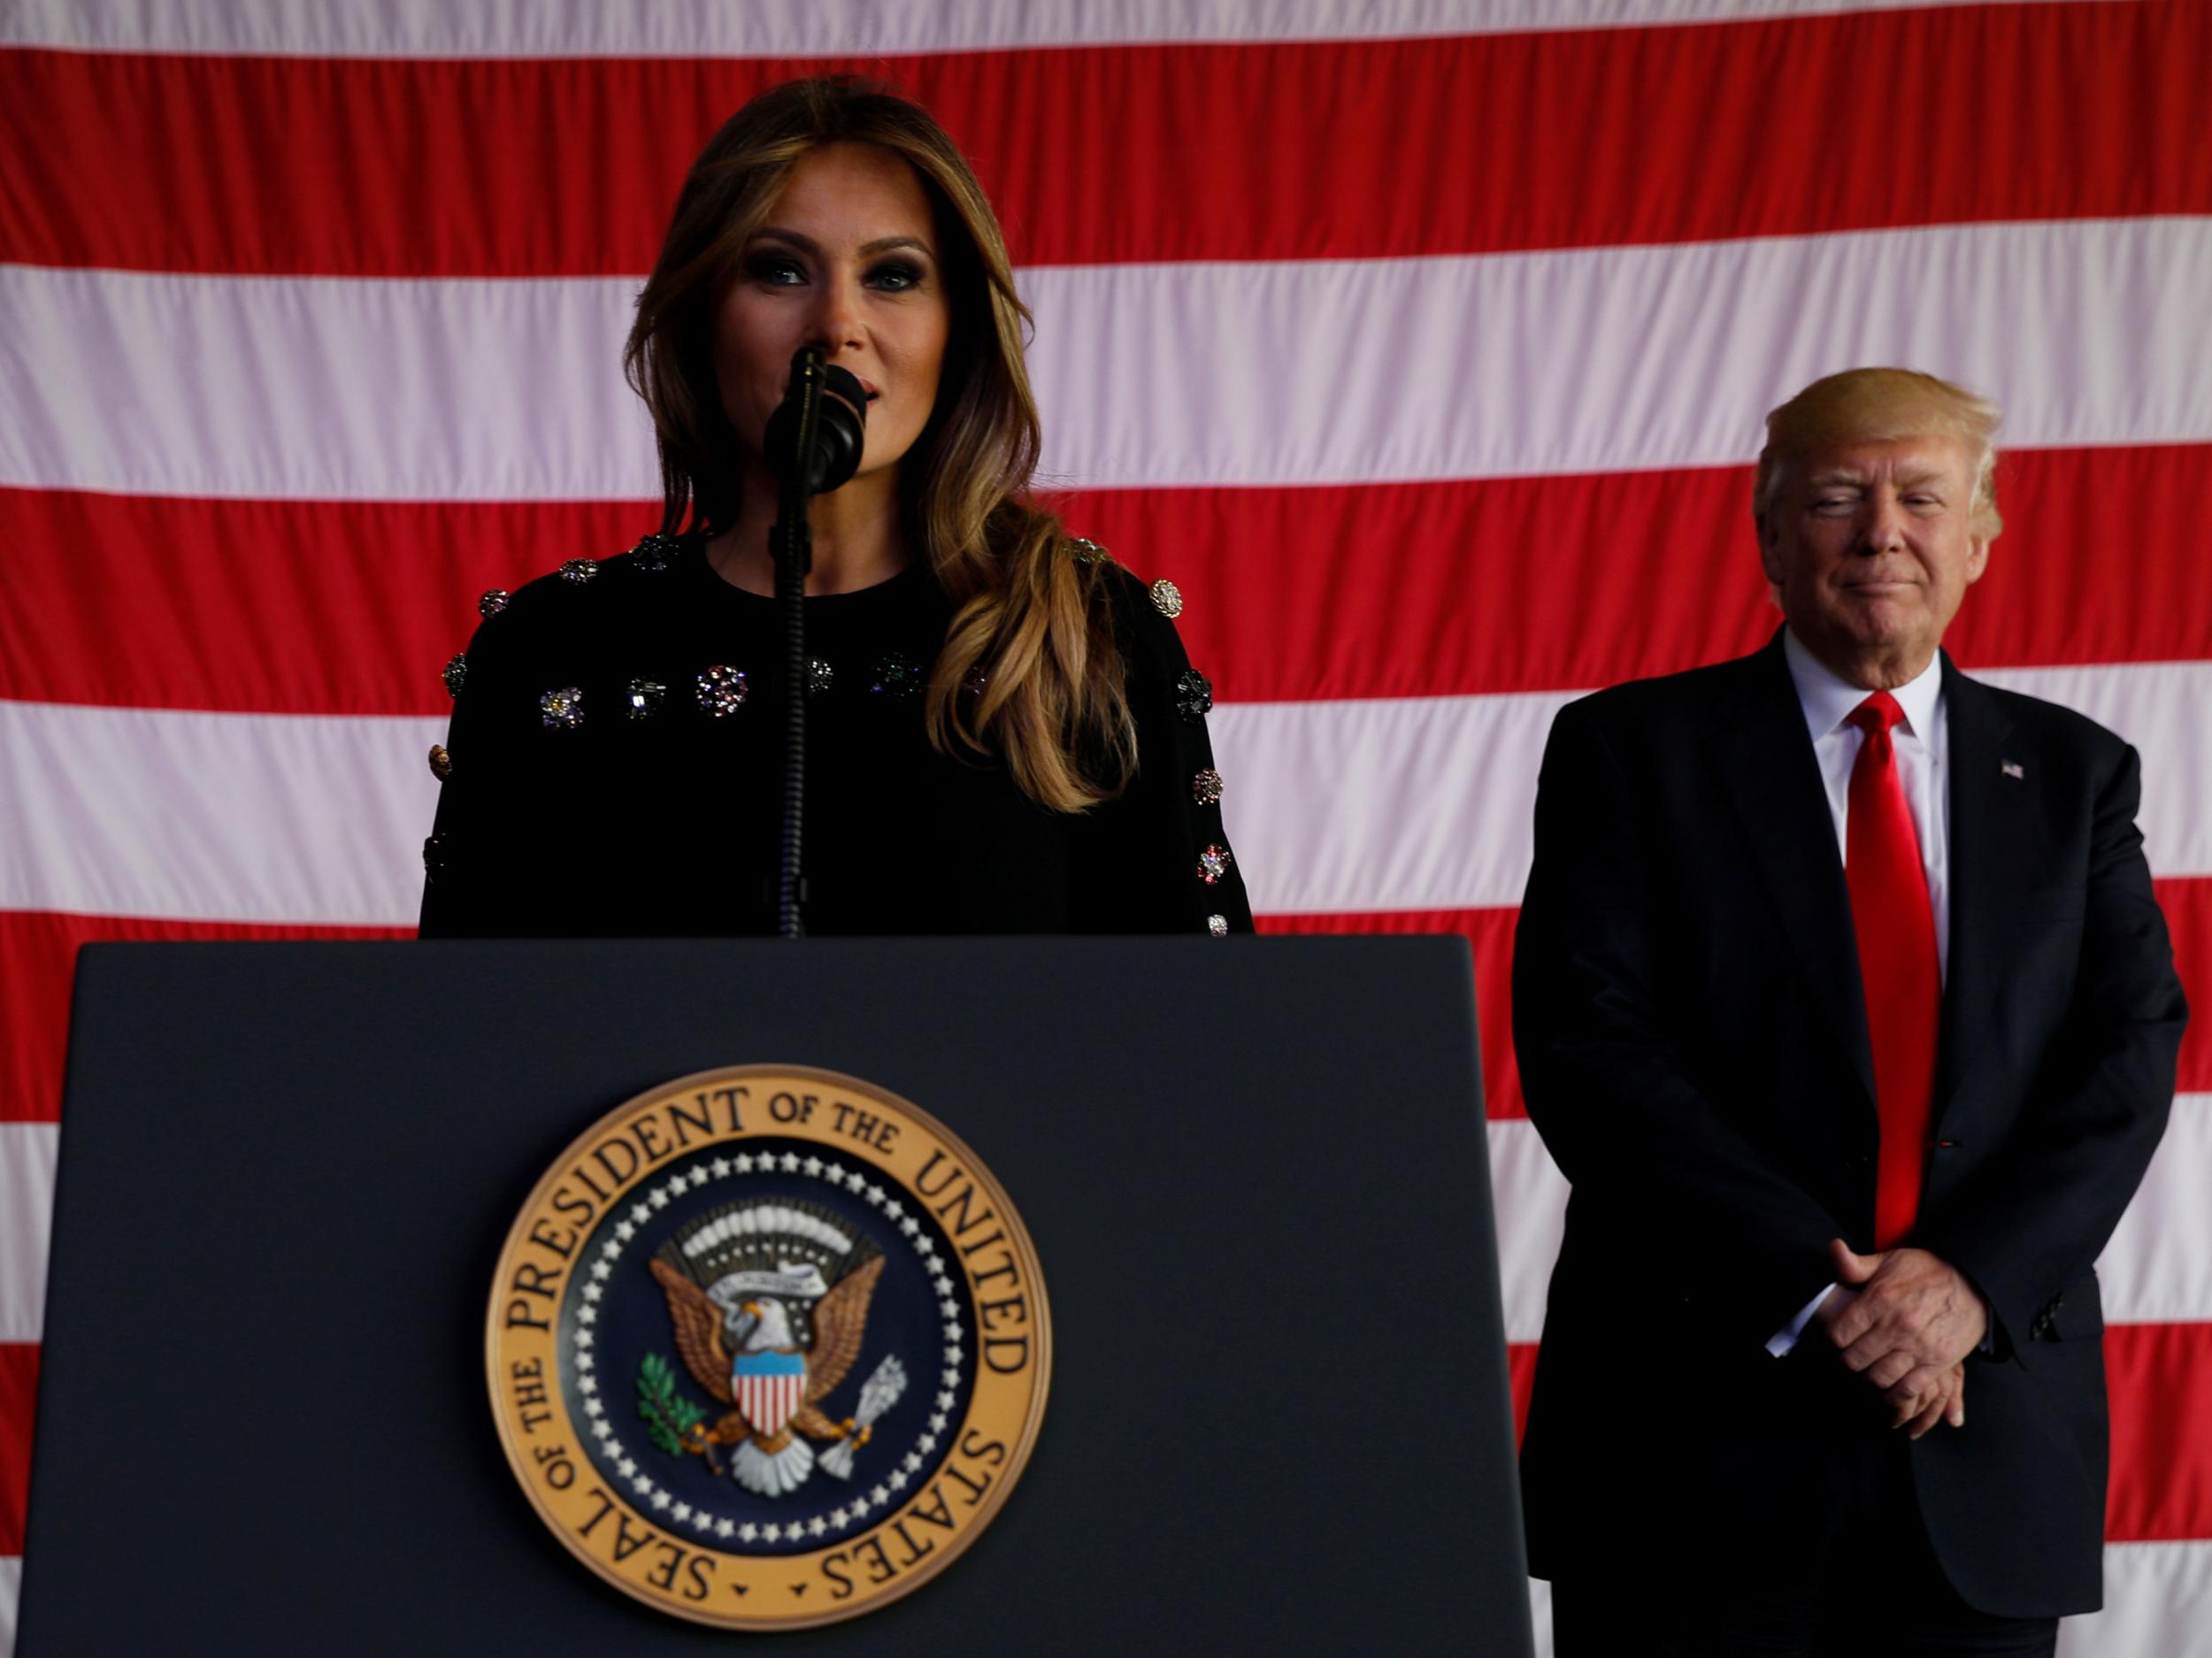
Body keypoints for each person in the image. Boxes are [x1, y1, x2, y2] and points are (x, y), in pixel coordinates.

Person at [1511, 367, 2185, 1654]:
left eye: (1924, 497)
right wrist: (1829, 1297)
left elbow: (2128, 1051)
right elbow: (1590, 1046)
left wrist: (1965, 1284)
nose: (1884, 530)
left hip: (1984, 1446)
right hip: (1689, 1452)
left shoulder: (2076, 777)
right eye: (1838, 497)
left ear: (1980, 537)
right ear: (1770, 536)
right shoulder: (1628, 753)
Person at [418, 80, 1249, 939]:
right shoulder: (549, 648)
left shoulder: (1087, 633)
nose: (837, 324)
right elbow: (460, 1049)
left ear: (955, 330)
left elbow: (1200, 1040)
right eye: (780, 270)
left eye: (893, 276)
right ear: (705, 315)